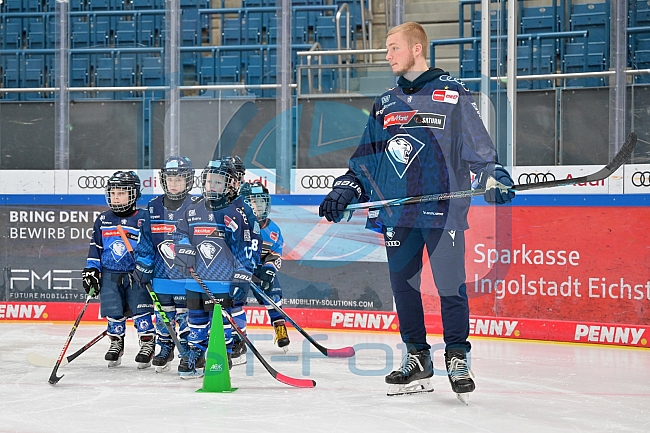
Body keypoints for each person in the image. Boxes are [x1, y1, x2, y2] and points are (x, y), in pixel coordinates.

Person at [318, 22, 515, 400]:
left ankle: (457, 356)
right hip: (399, 214)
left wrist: (493, 174)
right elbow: (366, 160)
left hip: (442, 211)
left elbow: (477, 147)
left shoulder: (452, 93)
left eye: (393, 48)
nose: (387, 55)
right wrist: (344, 189)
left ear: (417, 49)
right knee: (403, 288)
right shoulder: (386, 103)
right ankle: (417, 357)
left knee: (449, 286)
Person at [172, 159, 260, 378]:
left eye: (218, 182)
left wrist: (243, 274)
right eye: (210, 181)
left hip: (221, 281)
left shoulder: (237, 213)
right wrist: (183, 248)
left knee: (219, 321)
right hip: (194, 279)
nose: (212, 186)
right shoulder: (192, 209)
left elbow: (245, 247)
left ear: (230, 185)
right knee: (196, 319)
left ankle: (224, 353)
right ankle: (196, 353)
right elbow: (179, 233)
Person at [132, 156, 199, 373]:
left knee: (186, 315)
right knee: (163, 315)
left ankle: (189, 350)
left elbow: (203, 238)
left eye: (179, 179)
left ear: (188, 181)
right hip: (160, 275)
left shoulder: (197, 206)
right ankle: (166, 346)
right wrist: (143, 264)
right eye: (170, 179)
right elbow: (145, 241)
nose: (174, 183)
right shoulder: (153, 207)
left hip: (186, 276)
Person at [82, 171, 155, 369]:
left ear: (134, 194)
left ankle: (147, 344)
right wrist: (91, 270)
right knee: (114, 312)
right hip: (110, 275)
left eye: (121, 193)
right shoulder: (103, 219)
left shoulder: (143, 218)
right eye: (113, 193)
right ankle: (116, 343)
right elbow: (95, 249)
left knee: (142, 311)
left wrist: (145, 266)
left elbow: (150, 247)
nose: (116, 197)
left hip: (136, 275)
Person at [240, 181, 290, 357]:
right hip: (240, 269)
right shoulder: (237, 224)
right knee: (234, 300)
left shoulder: (273, 229)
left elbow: (275, 253)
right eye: (253, 201)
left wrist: (268, 270)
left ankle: (279, 325)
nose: (258, 206)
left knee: (273, 292)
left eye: (261, 201)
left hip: (259, 268)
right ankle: (235, 335)